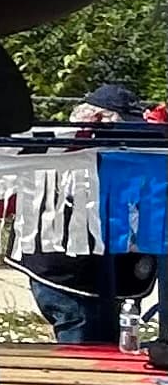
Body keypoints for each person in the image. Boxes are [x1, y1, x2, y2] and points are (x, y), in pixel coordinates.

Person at [10, 83, 161, 344]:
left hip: (106, 272)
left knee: (110, 343)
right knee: (83, 341)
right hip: (70, 272)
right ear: (98, 121)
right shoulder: (74, 155)